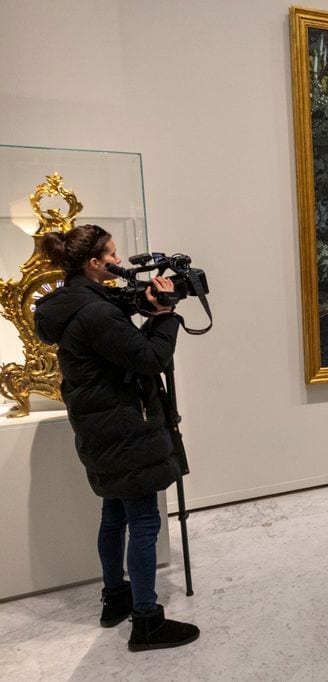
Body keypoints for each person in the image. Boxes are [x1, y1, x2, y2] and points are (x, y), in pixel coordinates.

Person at [33, 224, 200, 652]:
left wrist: (145, 303)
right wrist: (166, 317)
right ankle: (146, 620)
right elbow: (148, 358)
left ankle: (116, 597)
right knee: (143, 520)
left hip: (101, 427)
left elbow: (116, 338)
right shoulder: (96, 312)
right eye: (112, 252)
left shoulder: (74, 301)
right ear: (94, 263)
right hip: (124, 425)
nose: (120, 258)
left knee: (114, 514)